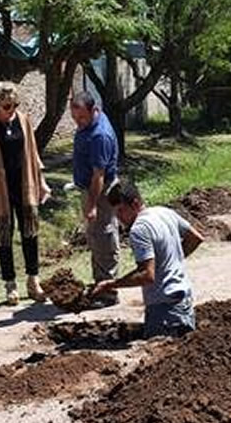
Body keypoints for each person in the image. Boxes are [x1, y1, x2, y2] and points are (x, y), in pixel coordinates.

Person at [88, 180, 204, 338]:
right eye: (116, 213)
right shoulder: (164, 212)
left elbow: (147, 276)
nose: (119, 218)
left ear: (135, 204)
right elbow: (195, 238)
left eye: (121, 211)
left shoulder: (139, 230)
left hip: (164, 307)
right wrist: (170, 262)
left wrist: (111, 284)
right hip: (183, 301)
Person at [0, 81, 50, 305]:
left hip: (25, 185)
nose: (12, 110)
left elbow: (33, 154)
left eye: (15, 104)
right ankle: (10, 284)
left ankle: (33, 280)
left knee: (30, 233)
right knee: (4, 236)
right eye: (7, 106)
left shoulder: (23, 121)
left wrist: (41, 182)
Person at [69, 91, 120, 297]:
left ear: (94, 110)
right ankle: (100, 282)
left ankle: (108, 291)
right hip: (91, 187)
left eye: (81, 117)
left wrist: (92, 205)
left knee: (103, 237)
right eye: (74, 117)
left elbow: (98, 176)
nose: (78, 122)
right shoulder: (90, 122)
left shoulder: (100, 136)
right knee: (95, 237)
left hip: (100, 190)